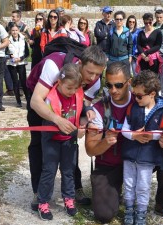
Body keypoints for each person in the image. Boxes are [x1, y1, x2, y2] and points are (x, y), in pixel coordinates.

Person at [85, 61, 163, 224]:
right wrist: (106, 142)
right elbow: (90, 150)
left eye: (118, 85)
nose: (113, 90)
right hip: (110, 165)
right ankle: (115, 191)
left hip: (139, 158)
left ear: (129, 82)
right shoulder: (99, 108)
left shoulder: (142, 98)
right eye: (108, 85)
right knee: (104, 215)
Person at [27, 46, 107, 211]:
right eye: (90, 72)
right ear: (80, 64)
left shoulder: (94, 80)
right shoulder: (54, 66)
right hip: (40, 96)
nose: (93, 77)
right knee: (38, 143)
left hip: (69, 100)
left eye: (98, 74)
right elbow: (36, 102)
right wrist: (56, 119)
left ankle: (74, 188)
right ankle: (38, 192)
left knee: (70, 145)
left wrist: (85, 119)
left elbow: (83, 104)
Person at [121, 70, 163, 225]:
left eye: (139, 96)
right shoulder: (132, 108)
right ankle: (129, 209)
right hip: (130, 155)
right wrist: (134, 135)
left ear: (152, 94)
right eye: (134, 94)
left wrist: (153, 136)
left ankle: (141, 212)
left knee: (143, 185)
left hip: (148, 156)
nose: (135, 99)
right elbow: (123, 129)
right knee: (129, 183)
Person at [37, 64, 84, 221]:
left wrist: (83, 124)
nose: (72, 92)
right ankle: (43, 202)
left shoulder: (77, 95)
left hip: (69, 141)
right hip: (52, 141)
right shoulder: (50, 99)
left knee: (68, 170)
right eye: (69, 88)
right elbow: (48, 121)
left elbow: (82, 114)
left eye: (75, 88)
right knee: (49, 171)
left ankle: (69, 199)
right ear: (59, 82)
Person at [6, 23, 29, 108]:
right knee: (15, 82)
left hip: (21, 63)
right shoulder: (8, 40)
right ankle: (18, 101)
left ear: (18, 30)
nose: (15, 32)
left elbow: (27, 53)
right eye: (13, 30)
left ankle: (28, 100)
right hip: (12, 63)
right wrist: (10, 56)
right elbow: (6, 52)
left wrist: (21, 58)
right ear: (10, 31)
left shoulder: (23, 40)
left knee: (23, 82)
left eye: (16, 30)